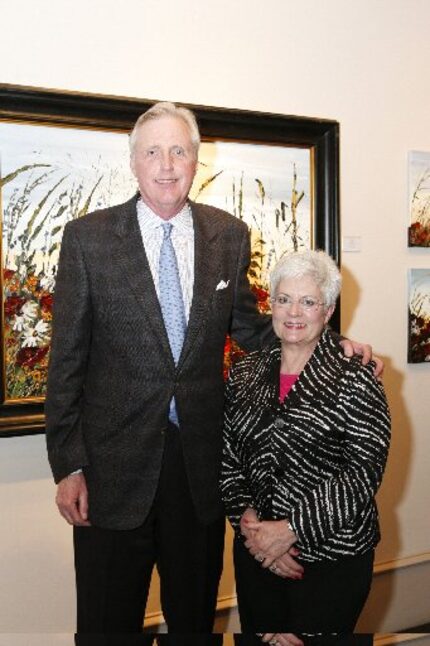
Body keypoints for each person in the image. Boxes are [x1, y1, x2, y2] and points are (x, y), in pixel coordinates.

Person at [45, 102, 378, 641]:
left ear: (197, 160)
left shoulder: (228, 235)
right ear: (134, 162)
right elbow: (65, 364)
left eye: (180, 150)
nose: (167, 163)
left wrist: (333, 343)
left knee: (195, 624)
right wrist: (68, 466)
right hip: (111, 472)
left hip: (198, 470)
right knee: (107, 627)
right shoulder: (89, 239)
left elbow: (250, 327)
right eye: (153, 151)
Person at [221, 250, 391, 644]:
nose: (293, 311)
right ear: (271, 306)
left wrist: (292, 531)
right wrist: (253, 531)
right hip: (256, 554)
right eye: (283, 299)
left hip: (332, 561)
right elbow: (227, 458)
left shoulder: (356, 376)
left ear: (327, 311)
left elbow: (363, 472)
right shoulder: (245, 371)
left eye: (308, 301)